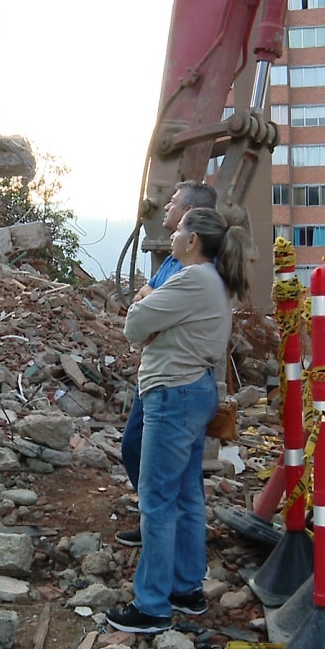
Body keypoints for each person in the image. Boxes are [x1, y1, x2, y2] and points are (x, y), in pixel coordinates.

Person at [106, 207, 251, 634]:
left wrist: (149, 309)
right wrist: (155, 321)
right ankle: (186, 588)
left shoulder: (190, 279)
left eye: (179, 227)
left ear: (192, 240)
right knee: (187, 494)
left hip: (172, 394)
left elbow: (134, 324)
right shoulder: (212, 281)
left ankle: (151, 606)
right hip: (194, 391)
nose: (171, 235)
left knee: (157, 500)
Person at [115, 180, 217, 547]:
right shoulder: (175, 260)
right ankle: (163, 532)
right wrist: (151, 305)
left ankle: (161, 544)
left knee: (172, 475)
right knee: (137, 450)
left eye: (173, 202)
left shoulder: (199, 272)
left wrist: (151, 307)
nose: (165, 207)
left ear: (190, 214)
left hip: (177, 382)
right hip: (158, 373)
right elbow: (146, 302)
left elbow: (148, 317)